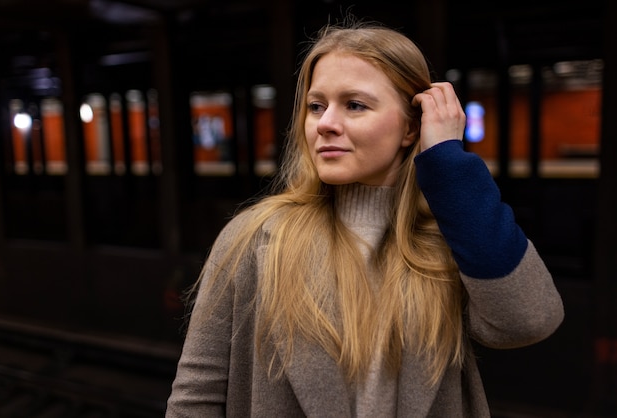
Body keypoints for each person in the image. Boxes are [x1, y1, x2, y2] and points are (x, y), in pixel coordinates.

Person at [166, 18, 564, 418]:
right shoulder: (253, 239)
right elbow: (195, 397)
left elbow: (529, 320)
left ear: (412, 128)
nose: (325, 124)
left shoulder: (451, 242)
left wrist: (447, 163)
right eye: (316, 106)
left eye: (354, 105)